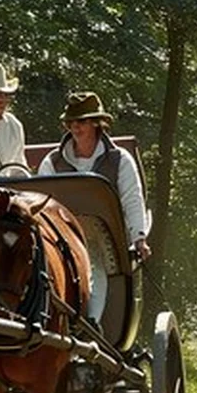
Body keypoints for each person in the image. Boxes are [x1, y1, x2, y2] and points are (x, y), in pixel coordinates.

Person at [37, 91, 150, 326]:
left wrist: (139, 238)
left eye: (82, 121)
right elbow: (43, 203)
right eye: (71, 122)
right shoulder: (52, 162)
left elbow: (132, 200)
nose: (75, 127)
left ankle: (90, 322)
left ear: (97, 123)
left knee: (93, 258)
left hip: (105, 237)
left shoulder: (120, 160)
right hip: (62, 234)